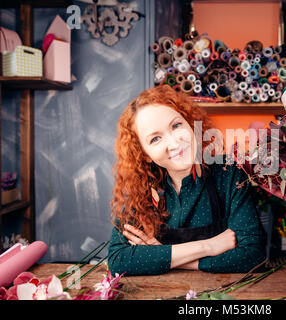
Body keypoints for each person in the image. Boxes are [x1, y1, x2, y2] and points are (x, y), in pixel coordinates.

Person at [107, 85, 266, 275]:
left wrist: (161, 254)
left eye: (176, 126)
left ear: (190, 124)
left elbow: (253, 254)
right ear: (145, 154)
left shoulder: (228, 171)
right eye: (155, 139)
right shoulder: (141, 187)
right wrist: (208, 247)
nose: (175, 143)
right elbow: (118, 260)